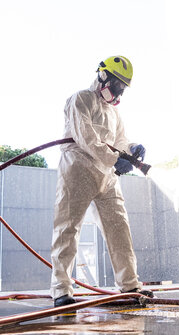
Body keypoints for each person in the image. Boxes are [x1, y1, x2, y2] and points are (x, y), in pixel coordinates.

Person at [51, 56, 154, 307]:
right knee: (68, 228)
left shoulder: (114, 112)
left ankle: (130, 285)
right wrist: (114, 158)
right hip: (78, 169)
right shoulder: (80, 100)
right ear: (102, 76)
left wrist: (131, 148)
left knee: (119, 228)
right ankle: (61, 289)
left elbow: (118, 140)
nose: (119, 91)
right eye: (117, 85)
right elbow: (85, 136)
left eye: (122, 88)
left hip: (106, 175)